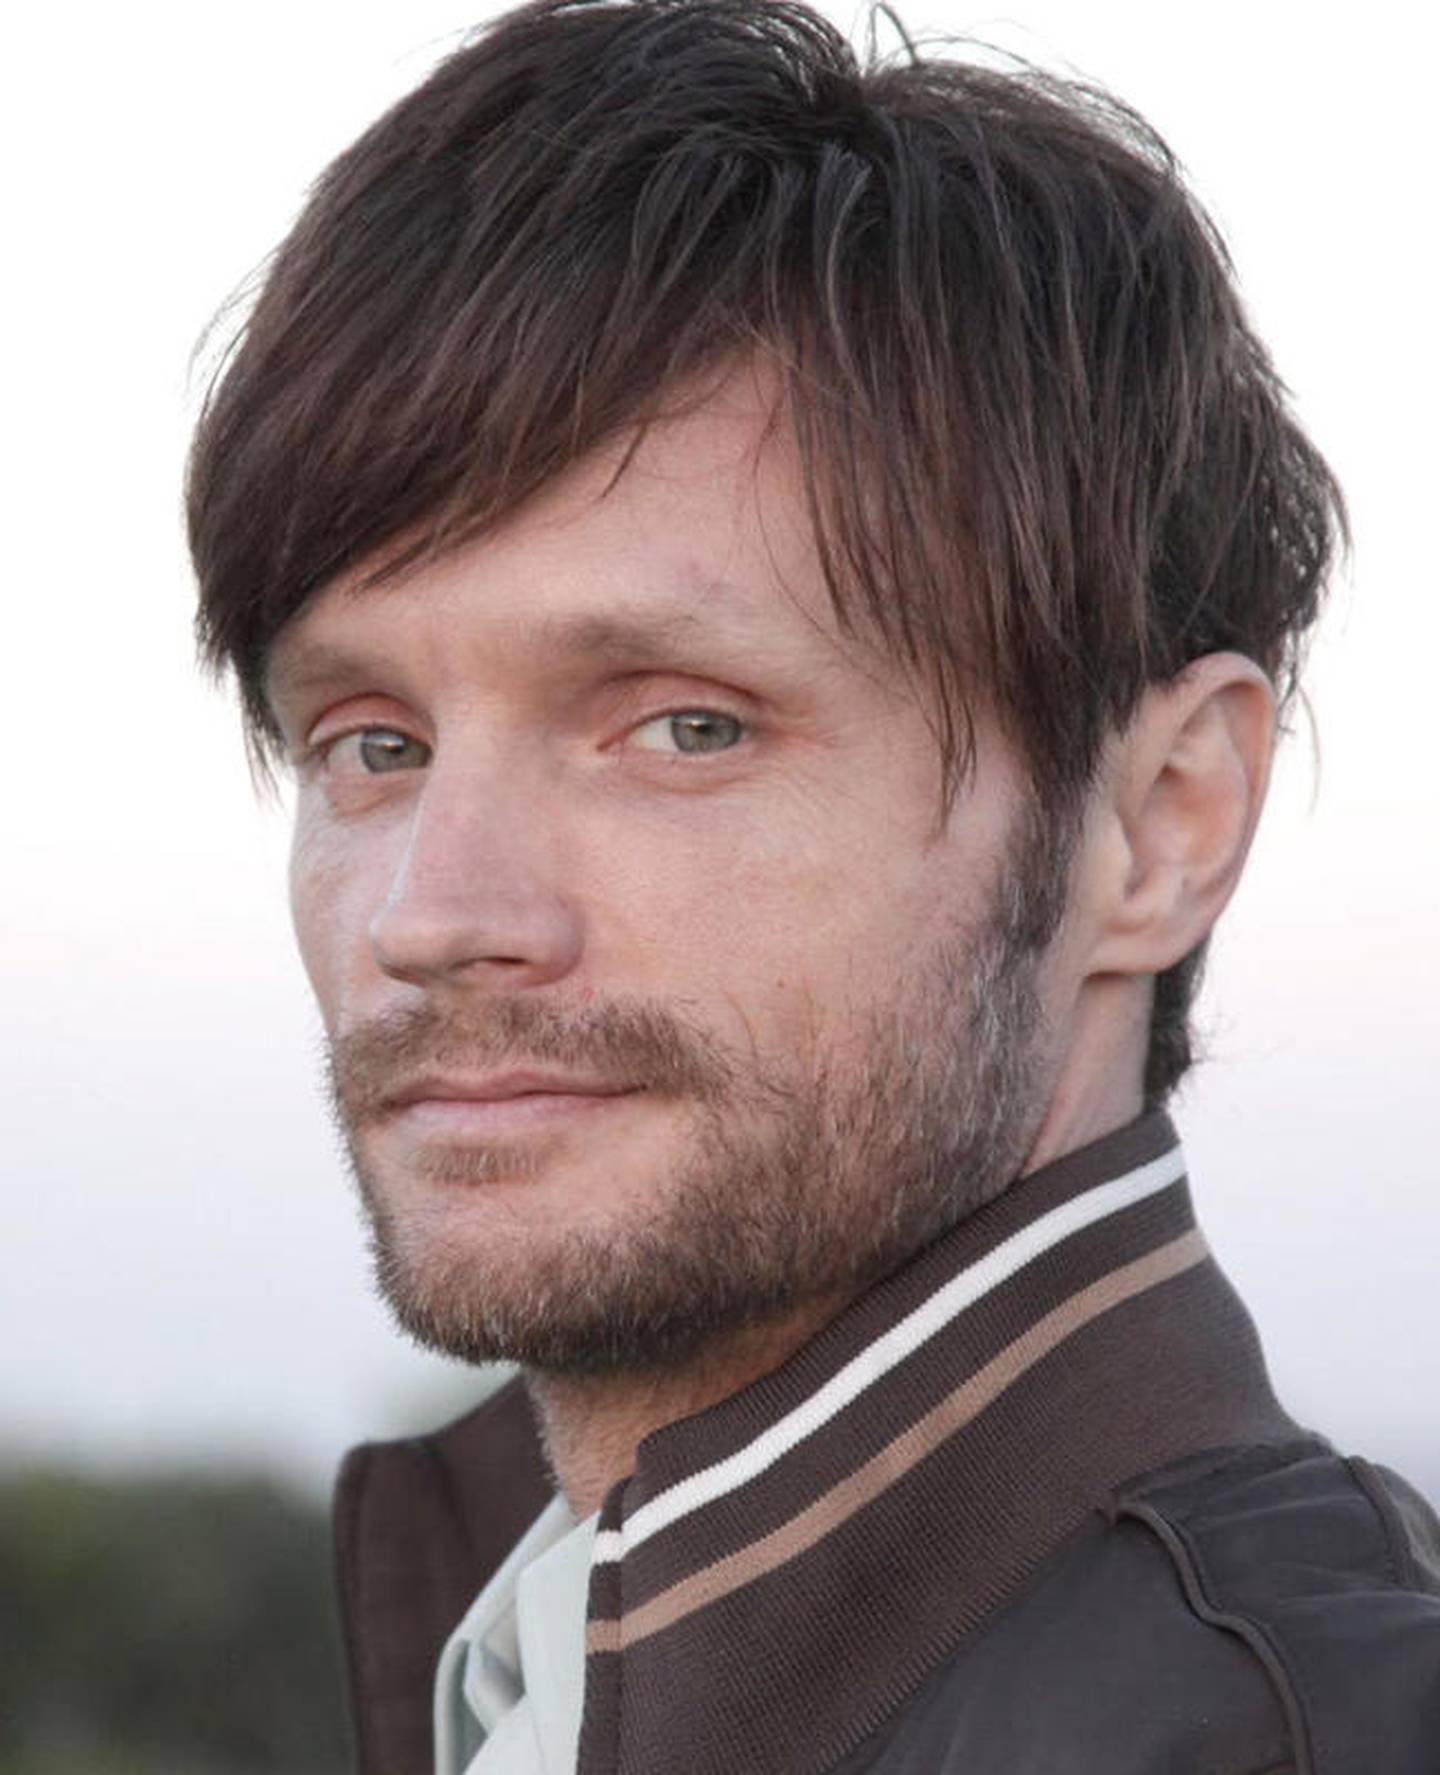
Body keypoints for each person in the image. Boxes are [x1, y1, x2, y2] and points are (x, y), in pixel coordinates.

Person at [185, 2, 1440, 1770]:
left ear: (1159, 824)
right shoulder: (534, 1673)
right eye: (373, 745)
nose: (434, 917)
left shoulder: (1316, 1735)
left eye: (685, 727)